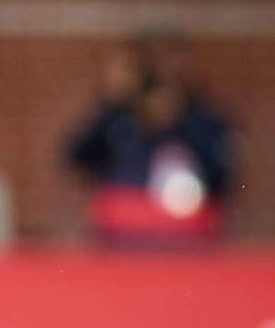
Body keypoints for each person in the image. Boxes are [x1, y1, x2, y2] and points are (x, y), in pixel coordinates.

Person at [64, 31, 237, 247]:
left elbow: (224, 172)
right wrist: (115, 103)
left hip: (189, 232)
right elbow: (74, 156)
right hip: (122, 230)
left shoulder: (204, 117)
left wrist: (176, 121)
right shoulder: (118, 117)